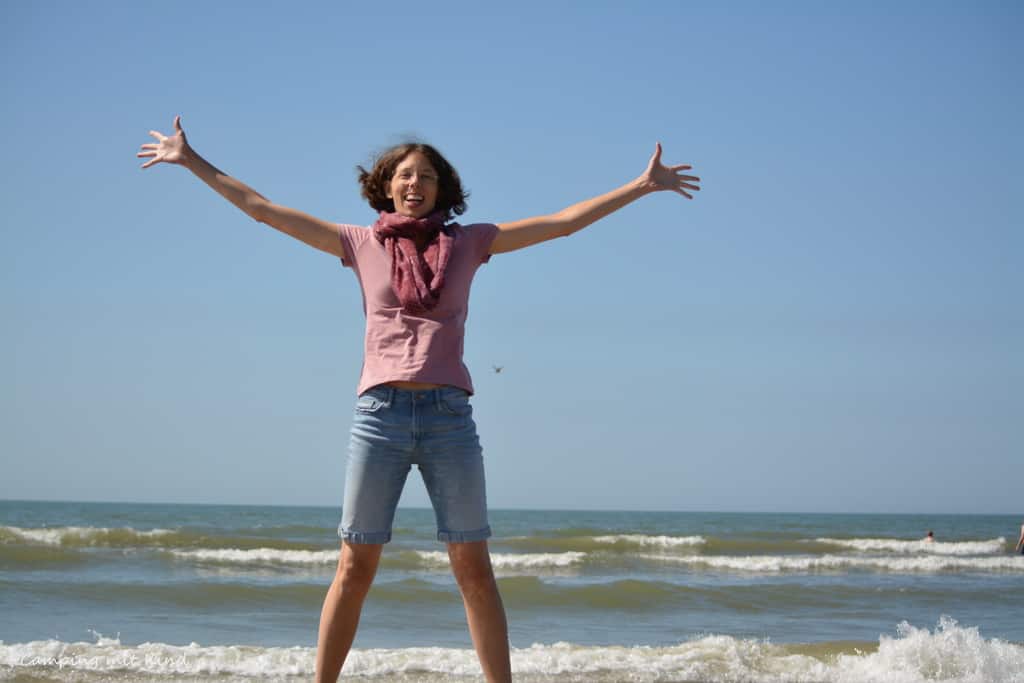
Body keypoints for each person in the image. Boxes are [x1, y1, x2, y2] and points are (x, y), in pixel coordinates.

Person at [137, 116, 700, 682]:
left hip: (449, 418)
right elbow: (262, 209)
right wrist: (191, 161)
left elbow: (560, 225)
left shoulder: (470, 242)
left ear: (441, 188)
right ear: (385, 186)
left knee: (473, 569)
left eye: (426, 176)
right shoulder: (357, 243)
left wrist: (641, 186)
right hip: (378, 416)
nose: (415, 184)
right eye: (405, 175)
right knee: (355, 565)